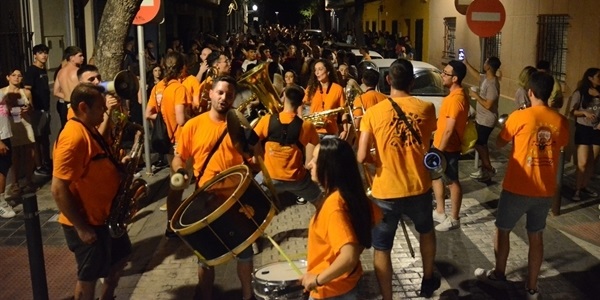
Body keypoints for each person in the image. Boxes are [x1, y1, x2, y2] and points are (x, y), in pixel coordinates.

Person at [474, 72, 569, 300]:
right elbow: (561, 144)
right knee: (536, 236)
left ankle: (498, 273)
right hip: (544, 190)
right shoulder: (561, 121)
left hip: (517, 186)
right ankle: (532, 287)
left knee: (503, 230)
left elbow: (498, 143)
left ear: (530, 92)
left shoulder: (520, 116)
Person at [356, 59, 439, 298]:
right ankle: (427, 279)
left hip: (385, 192)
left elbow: (361, 156)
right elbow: (426, 142)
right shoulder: (426, 108)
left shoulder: (371, 113)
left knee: (382, 247)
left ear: (388, 80)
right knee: (426, 231)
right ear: (413, 82)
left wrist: (377, 159)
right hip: (418, 187)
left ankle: (387, 296)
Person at [170, 76, 254, 300]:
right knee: (206, 257)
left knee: (244, 251)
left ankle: (248, 296)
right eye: (220, 92)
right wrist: (179, 171)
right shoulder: (193, 125)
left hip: (235, 196)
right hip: (206, 197)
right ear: (210, 94)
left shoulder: (240, 124)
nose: (224, 98)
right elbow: (179, 157)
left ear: (233, 98)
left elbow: (253, 158)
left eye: (228, 94)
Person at [51, 83, 132, 300]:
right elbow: (58, 189)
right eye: (101, 108)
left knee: (120, 259)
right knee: (88, 278)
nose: (105, 112)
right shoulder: (73, 137)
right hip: (88, 222)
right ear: (84, 107)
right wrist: (82, 227)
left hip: (107, 217)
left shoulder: (89, 129)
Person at [301, 138, 379, 299]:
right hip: (348, 283)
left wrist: (317, 279)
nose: (309, 164)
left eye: (315, 160)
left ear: (329, 168)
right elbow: (375, 217)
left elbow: (348, 256)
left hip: (331, 291)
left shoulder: (334, 206)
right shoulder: (351, 194)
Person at [253, 85, 321, 205]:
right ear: (301, 103)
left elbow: (252, 140)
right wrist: (311, 163)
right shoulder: (307, 126)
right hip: (297, 179)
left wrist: (258, 159)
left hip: (270, 179)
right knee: (320, 200)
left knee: (251, 199)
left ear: (283, 98)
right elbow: (317, 145)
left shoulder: (267, 120)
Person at [146, 51, 189, 230]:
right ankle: (174, 222)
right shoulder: (179, 88)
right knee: (180, 181)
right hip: (179, 140)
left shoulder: (158, 88)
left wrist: (162, 118)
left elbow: (148, 114)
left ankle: (173, 221)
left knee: (175, 180)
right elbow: (180, 119)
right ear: (181, 69)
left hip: (166, 140)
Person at [431, 60, 469, 232]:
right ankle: (440, 211)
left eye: (445, 73)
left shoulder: (456, 99)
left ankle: (454, 218)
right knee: (437, 177)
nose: (442, 75)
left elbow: (449, 129)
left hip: (448, 148)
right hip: (440, 146)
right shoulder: (451, 97)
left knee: (452, 182)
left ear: (455, 78)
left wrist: (439, 151)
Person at [1, 68, 37, 197]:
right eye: (14, 75)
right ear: (8, 77)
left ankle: (29, 179)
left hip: (25, 124)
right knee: (15, 155)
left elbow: (32, 109)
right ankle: (15, 182)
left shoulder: (26, 92)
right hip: (12, 125)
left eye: (19, 75)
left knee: (30, 153)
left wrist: (29, 109)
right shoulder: (2, 93)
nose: (17, 78)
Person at [465, 56, 501, 181]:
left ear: (489, 66)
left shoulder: (492, 85)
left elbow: (488, 104)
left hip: (487, 119)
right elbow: (477, 75)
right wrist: (467, 63)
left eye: (486, 62)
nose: (484, 63)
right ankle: (485, 169)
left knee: (479, 143)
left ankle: (488, 168)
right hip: (481, 118)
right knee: (480, 143)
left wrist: (475, 95)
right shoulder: (486, 78)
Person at [569, 68, 600, 201]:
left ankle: (584, 186)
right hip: (583, 129)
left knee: (592, 161)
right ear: (590, 78)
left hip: (597, 130)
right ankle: (577, 190)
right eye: (598, 76)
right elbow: (572, 111)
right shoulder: (580, 93)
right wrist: (585, 113)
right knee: (583, 162)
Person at [303, 59, 349, 140]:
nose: (317, 72)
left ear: (328, 72)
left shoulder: (338, 89)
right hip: (313, 131)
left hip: (330, 133)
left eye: (320, 69)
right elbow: (302, 105)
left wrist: (345, 130)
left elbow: (343, 111)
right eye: (315, 70)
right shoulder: (311, 89)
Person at [24, 44, 52, 177]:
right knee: (38, 138)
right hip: (37, 110)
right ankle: (39, 165)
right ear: (35, 55)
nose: (44, 55)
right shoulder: (32, 70)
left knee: (45, 138)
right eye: (41, 53)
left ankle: (46, 163)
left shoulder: (43, 70)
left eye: (46, 53)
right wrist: (32, 106)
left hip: (45, 109)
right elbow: (27, 89)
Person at [54, 46, 85, 129]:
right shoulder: (79, 72)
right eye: (80, 56)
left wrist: (67, 96)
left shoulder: (60, 72)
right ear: (71, 58)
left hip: (65, 105)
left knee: (67, 129)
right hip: (77, 106)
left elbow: (56, 92)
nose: (83, 58)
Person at [0, 89, 16, 218]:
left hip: (5, 134)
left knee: (4, 166)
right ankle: (0, 202)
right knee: (1, 168)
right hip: (0, 137)